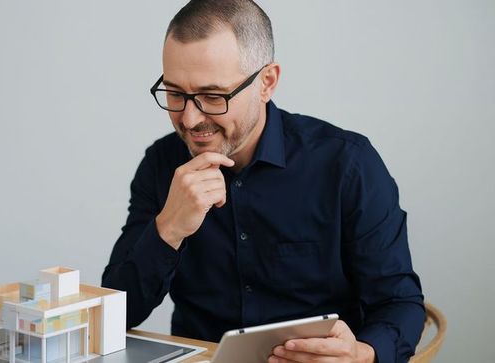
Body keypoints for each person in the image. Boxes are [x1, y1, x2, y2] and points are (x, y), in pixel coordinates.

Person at [102, 0, 425, 362]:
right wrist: (169, 230)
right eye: (176, 93)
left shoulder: (347, 163)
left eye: (213, 96)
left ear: (266, 82)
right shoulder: (162, 166)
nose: (190, 119)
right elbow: (114, 317)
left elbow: (399, 302)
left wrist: (363, 353)